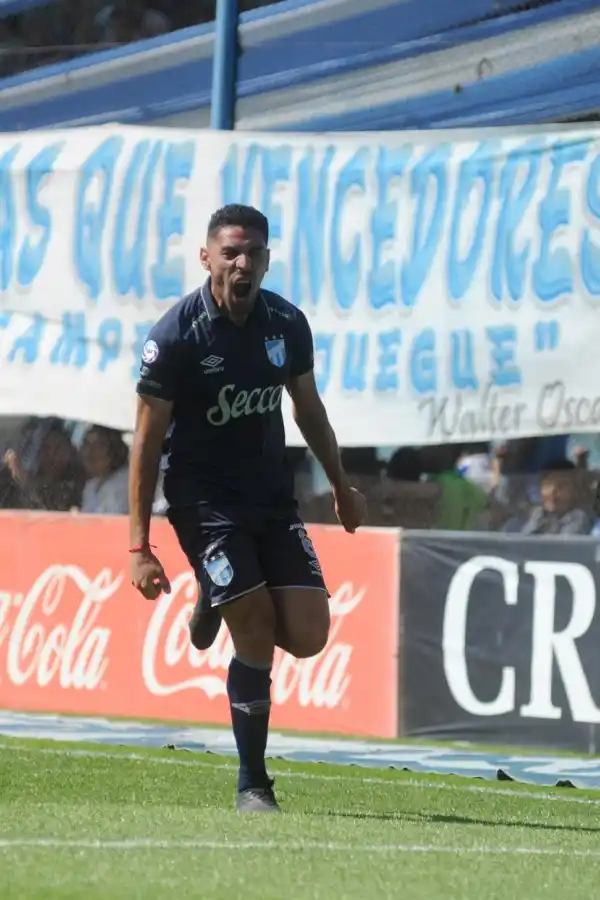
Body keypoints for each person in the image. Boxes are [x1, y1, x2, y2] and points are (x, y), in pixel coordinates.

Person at [128, 204, 366, 813]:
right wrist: (139, 545)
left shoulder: (286, 323)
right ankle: (253, 784)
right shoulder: (176, 336)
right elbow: (147, 442)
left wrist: (340, 483)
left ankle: (215, 593)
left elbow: (307, 408)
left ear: (266, 258)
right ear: (206, 257)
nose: (243, 262)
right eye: (231, 251)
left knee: (310, 636)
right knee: (255, 626)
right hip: (203, 501)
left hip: (271, 496)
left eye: (254, 252)